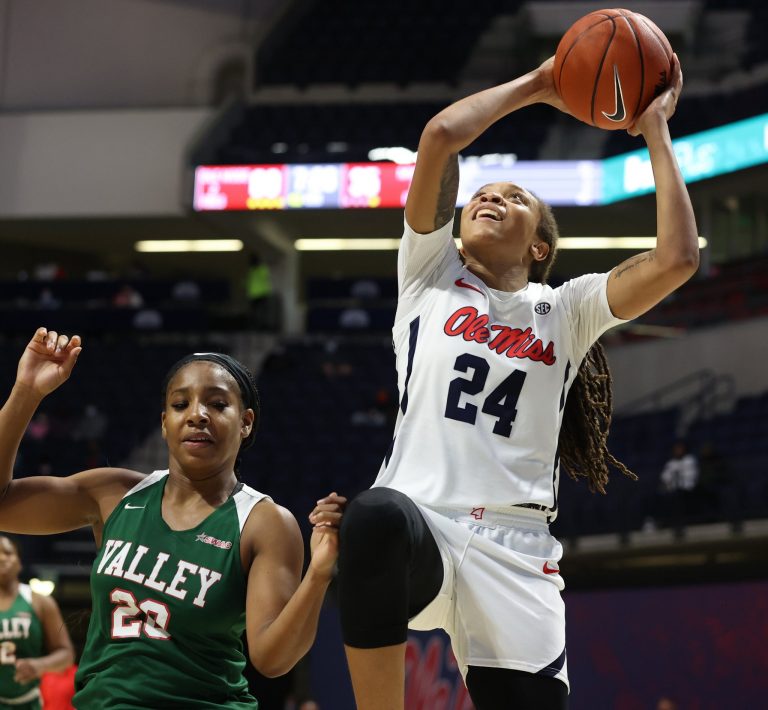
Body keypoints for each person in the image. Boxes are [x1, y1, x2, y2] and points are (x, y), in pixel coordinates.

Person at [336, 53, 698, 710]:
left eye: (515, 197)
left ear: (539, 248)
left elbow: (677, 259)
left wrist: (655, 128)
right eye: (483, 194)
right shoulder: (429, 274)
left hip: (516, 548)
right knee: (374, 513)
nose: (491, 198)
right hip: (424, 524)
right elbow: (441, 137)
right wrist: (540, 84)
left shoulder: (566, 309)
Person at [0, 327, 346, 708]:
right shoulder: (115, 493)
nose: (197, 415)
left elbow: (272, 659)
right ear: (165, 423)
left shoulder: (264, 522)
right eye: (181, 404)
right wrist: (26, 391)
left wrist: (317, 576)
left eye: (217, 404)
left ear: (245, 422)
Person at [0, 535, 75, 709]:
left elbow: (67, 654)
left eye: (8, 553)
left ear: (20, 562)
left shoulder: (40, 601)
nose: (2, 558)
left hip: (30, 701)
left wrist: (39, 665)